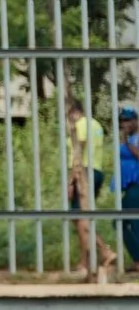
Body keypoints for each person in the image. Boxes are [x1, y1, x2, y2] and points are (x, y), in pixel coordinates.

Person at [67, 97, 114, 279]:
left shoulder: (80, 125)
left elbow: (78, 151)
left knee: (80, 217)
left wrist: (71, 180)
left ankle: (102, 253)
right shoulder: (96, 125)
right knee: (79, 217)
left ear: (73, 112)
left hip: (84, 173)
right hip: (96, 171)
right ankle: (86, 261)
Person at [119, 106, 139, 271]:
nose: (125, 123)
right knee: (121, 222)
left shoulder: (136, 138)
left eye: (128, 120)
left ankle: (137, 260)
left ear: (136, 121)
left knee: (131, 221)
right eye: (123, 120)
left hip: (136, 186)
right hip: (129, 186)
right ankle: (137, 259)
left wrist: (126, 143)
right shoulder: (129, 138)